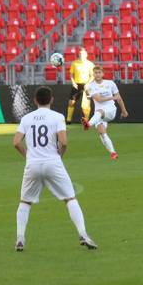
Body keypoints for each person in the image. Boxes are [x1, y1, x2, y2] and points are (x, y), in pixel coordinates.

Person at [13, 86, 97, 251]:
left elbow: (16, 142)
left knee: (25, 202)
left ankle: (20, 239)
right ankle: (83, 234)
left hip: (33, 163)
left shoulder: (26, 118)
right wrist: (59, 155)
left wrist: (27, 156)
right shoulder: (58, 117)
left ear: (35, 100)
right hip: (53, 162)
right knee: (70, 199)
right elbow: (64, 142)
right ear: (51, 99)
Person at [82, 65, 128, 160]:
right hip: (98, 115)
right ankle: (113, 153)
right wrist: (112, 97)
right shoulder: (90, 86)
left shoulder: (110, 83)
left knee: (100, 111)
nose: (97, 74)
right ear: (93, 74)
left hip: (110, 110)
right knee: (101, 132)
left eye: (99, 72)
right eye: (95, 73)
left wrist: (124, 110)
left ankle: (88, 124)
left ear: (103, 74)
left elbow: (119, 98)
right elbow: (98, 99)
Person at [67, 48, 94, 123]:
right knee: (71, 102)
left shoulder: (90, 64)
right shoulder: (74, 63)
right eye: (80, 54)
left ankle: (87, 121)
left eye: (83, 54)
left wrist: (88, 83)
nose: (81, 55)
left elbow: (92, 76)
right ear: (79, 55)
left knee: (85, 105)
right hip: (77, 85)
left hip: (86, 85)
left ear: (86, 55)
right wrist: (73, 82)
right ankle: (68, 120)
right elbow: (71, 74)